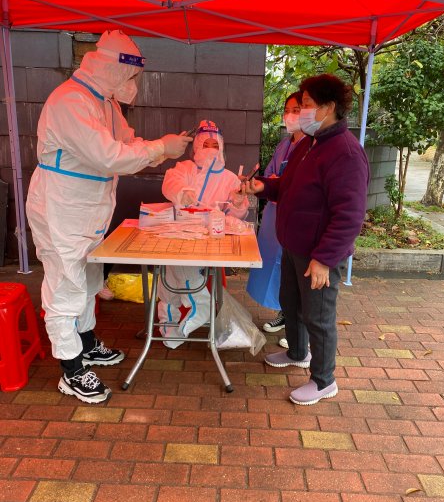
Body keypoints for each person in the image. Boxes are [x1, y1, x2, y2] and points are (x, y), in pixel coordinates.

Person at [26, 29, 192, 404]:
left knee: (88, 279)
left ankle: (85, 343)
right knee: (65, 284)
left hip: (89, 208)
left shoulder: (104, 102)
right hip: (62, 206)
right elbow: (109, 156)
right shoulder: (69, 101)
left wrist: (163, 149)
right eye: (131, 75)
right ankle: (71, 368)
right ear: (112, 69)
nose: (134, 83)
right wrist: (159, 148)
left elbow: (127, 144)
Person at [245, 74, 369, 405]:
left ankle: (324, 380)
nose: (301, 112)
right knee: (291, 304)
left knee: (318, 316)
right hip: (294, 246)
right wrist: (264, 186)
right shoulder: (309, 145)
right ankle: (297, 352)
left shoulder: (345, 153)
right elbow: (287, 185)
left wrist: (324, 259)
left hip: (318, 253)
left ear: (329, 107)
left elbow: (350, 215)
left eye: (307, 105)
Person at [158, 120, 249, 348]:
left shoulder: (230, 178)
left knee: (180, 268)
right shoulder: (185, 169)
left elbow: (236, 216)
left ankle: (198, 306)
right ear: (196, 146)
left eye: (214, 145)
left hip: (211, 240)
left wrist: (238, 202)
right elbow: (171, 182)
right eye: (205, 144)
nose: (210, 149)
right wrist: (182, 192)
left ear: (221, 147)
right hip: (180, 233)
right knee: (168, 277)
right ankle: (168, 324)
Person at [246, 92, 305, 344]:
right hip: (274, 216)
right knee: (276, 265)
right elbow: (270, 175)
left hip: (296, 218)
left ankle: (299, 331)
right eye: (287, 110)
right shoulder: (283, 145)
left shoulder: (312, 147)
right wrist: (258, 184)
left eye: (297, 110)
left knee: (295, 272)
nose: (290, 115)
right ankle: (284, 313)